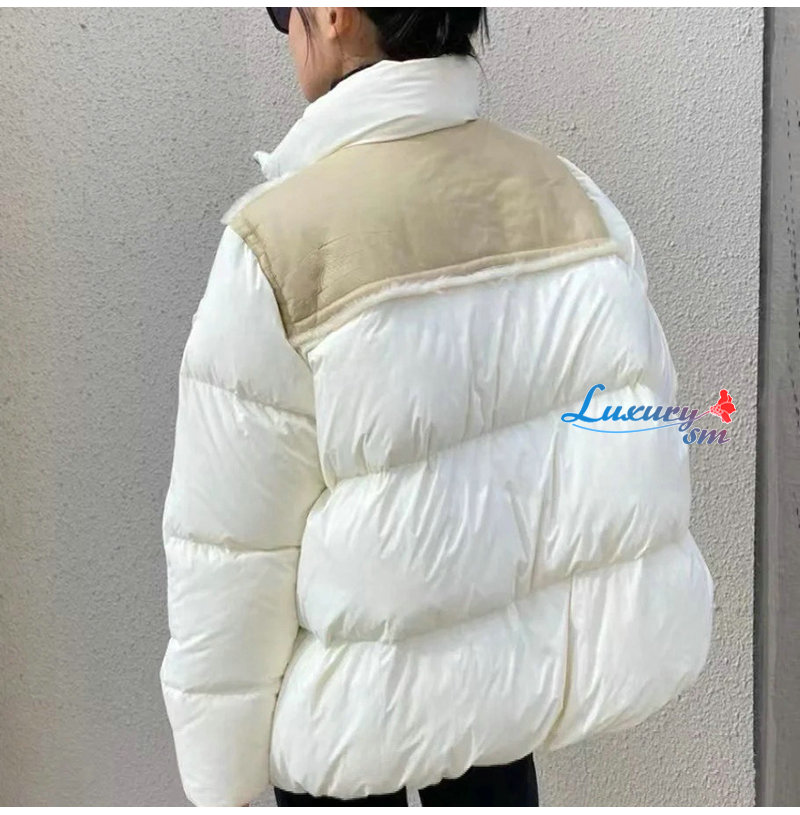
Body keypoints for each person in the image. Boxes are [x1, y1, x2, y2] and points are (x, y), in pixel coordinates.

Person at [158, 7, 714, 807]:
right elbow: (630, 444)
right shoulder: (570, 196)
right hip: (500, 713)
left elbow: (233, 550)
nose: (286, 30)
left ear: (337, 15)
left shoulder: (276, 244)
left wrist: (225, 783)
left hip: (349, 729)